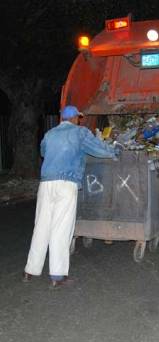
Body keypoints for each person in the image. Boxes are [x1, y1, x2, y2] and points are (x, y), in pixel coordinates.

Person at [23, 105, 120, 288]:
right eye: (78, 118)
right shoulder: (80, 133)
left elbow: (44, 153)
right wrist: (114, 152)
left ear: (62, 118)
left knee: (41, 226)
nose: (79, 120)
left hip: (46, 184)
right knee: (61, 229)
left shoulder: (49, 134)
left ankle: (30, 270)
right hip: (66, 184)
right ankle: (57, 276)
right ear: (75, 118)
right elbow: (99, 149)